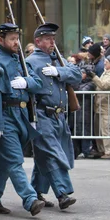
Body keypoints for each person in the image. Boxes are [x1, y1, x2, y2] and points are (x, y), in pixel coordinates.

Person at [0, 23, 45, 216]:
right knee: (14, 159)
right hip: (4, 114)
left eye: (17, 38)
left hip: (21, 115)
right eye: (12, 39)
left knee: (4, 162)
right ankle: (29, 199)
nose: (16, 42)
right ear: (1, 40)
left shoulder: (19, 59)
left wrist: (26, 82)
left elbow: (38, 83)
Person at [26, 23, 81, 210]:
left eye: (53, 39)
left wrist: (59, 71)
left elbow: (76, 75)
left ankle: (34, 192)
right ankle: (62, 193)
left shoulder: (57, 60)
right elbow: (31, 86)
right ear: (37, 41)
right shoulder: (31, 62)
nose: (52, 42)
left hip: (59, 116)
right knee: (53, 154)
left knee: (46, 155)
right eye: (48, 39)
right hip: (42, 114)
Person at [86, 54, 110, 159]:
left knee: (107, 129)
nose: (105, 62)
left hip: (107, 106)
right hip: (100, 105)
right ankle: (102, 150)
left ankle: (109, 151)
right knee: (99, 130)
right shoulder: (107, 72)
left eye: (107, 61)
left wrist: (93, 76)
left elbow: (103, 85)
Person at [73, 66, 95, 159]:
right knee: (76, 130)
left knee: (85, 130)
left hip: (85, 110)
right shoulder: (77, 82)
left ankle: (85, 150)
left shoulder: (91, 84)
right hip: (77, 110)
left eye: (83, 73)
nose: (80, 74)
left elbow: (82, 92)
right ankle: (77, 150)